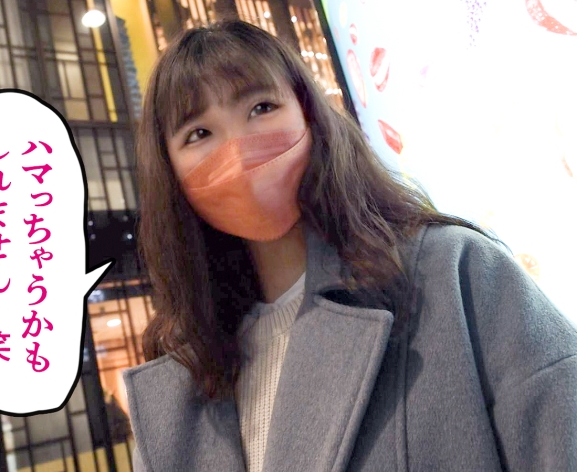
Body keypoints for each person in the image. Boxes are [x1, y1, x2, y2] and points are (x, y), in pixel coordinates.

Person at [122, 20, 577, 472]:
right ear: (169, 173)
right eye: (199, 134)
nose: (239, 149)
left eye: (261, 107)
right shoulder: (177, 385)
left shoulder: (455, 273)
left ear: (310, 115)